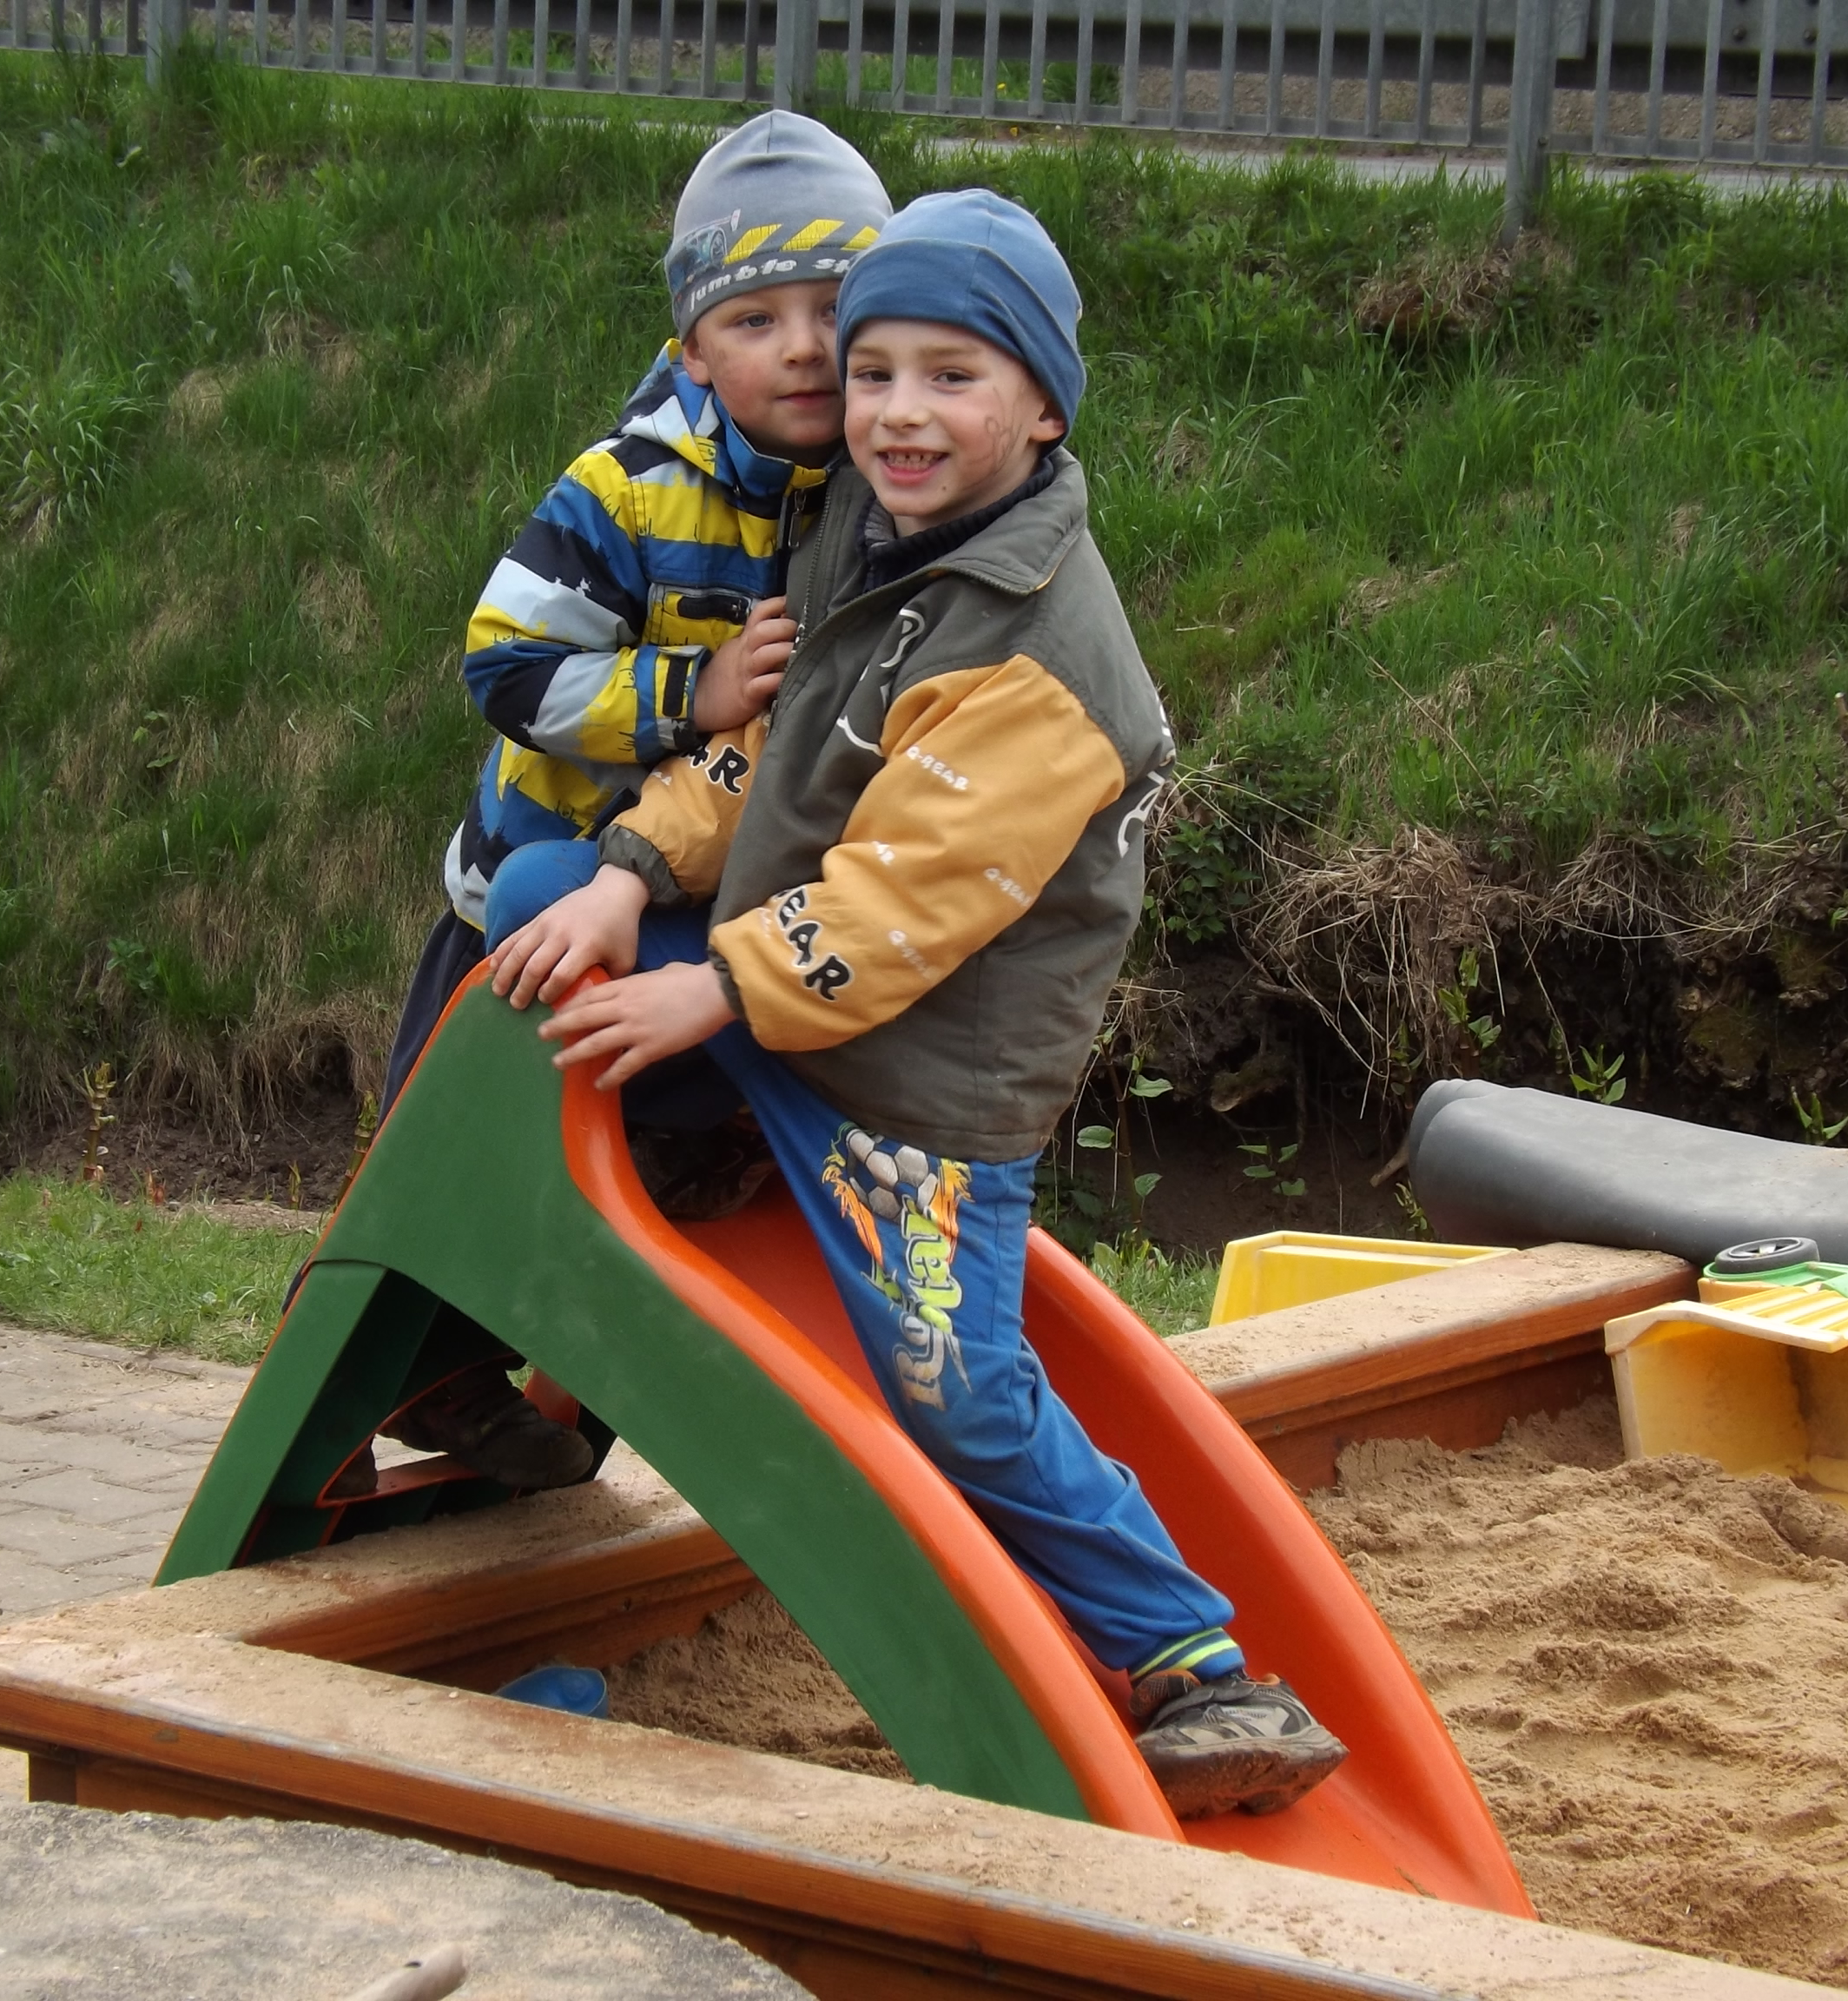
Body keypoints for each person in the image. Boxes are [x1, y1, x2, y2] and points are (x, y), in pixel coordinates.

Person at [482, 189, 1350, 1819]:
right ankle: (699, 1155)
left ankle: (1197, 1664)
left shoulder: (1042, 656)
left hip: (914, 1087)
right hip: (795, 1017)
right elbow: (773, 753)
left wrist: (711, 990)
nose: (895, 412)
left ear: (1042, 406)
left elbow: (903, 903)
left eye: (953, 377)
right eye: (874, 371)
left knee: (954, 1392)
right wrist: (630, 869)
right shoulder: (869, 537)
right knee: (541, 906)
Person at [360, 113, 892, 1496]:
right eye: (757, 318)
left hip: (694, 894)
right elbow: (506, 664)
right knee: (461, 1148)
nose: (803, 348)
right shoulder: (626, 489)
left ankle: (570, 1346)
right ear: (693, 347)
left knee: (626, 1147)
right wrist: (684, 694)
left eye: (835, 310)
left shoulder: (870, 496)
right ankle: (406, 1368)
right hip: (534, 881)